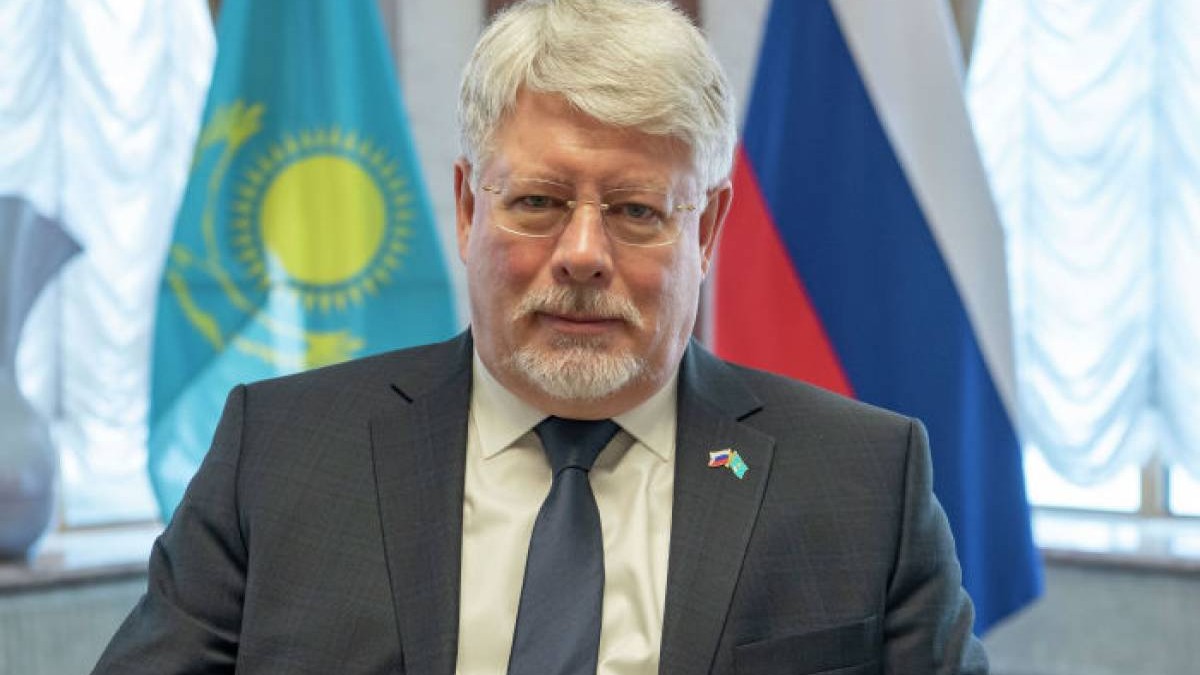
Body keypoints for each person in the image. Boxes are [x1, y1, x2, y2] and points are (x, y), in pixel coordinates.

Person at [93, 0, 988, 673]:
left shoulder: (863, 482)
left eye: (636, 211)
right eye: (537, 202)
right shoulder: (280, 452)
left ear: (708, 230)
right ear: (467, 208)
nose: (584, 254)